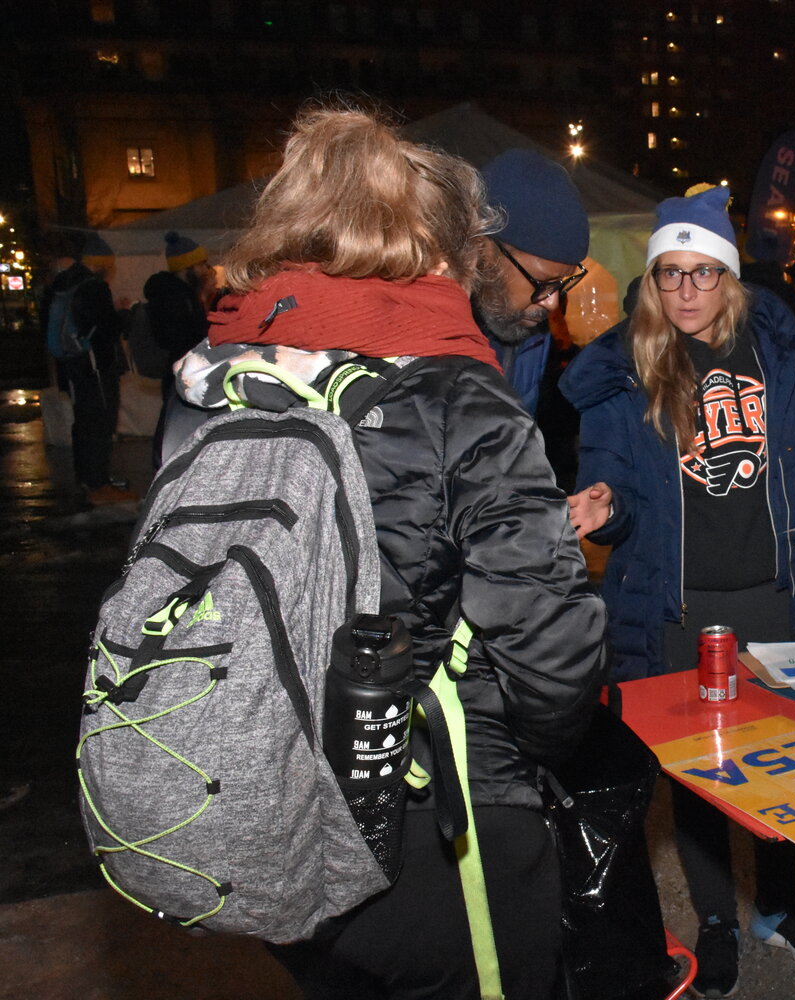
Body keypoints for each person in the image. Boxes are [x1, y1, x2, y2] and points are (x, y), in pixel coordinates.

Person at [168, 105, 608, 1000]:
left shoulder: (213, 375)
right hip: (440, 806)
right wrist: (538, 749)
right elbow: (553, 654)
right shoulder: (458, 394)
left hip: (266, 791)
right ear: (446, 246)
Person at [559, 185, 795, 998]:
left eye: (702, 274)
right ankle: (714, 917)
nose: (685, 293)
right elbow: (615, 497)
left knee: (781, 767)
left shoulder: (774, 354)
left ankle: (778, 905)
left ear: (731, 278)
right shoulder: (619, 374)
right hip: (677, 603)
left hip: (771, 592)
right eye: (669, 275)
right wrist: (601, 509)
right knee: (703, 775)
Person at [475, 147, 591, 414]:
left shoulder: (529, 331)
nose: (552, 303)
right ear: (483, 249)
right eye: (541, 281)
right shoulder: (423, 338)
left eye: (561, 283)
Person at [40, 231, 132, 506]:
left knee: (82, 423)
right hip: (95, 366)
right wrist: (123, 315)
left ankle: (86, 479)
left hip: (73, 366)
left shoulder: (60, 285)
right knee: (100, 424)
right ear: (101, 262)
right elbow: (107, 328)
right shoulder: (93, 286)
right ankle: (99, 485)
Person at [143, 230, 215, 465]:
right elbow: (190, 336)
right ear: (188, 267)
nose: (207, 270)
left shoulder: (176, 294)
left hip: (179, 369)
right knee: (176, 424)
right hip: (180, 370)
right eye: (202, 264)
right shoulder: (176, 297)